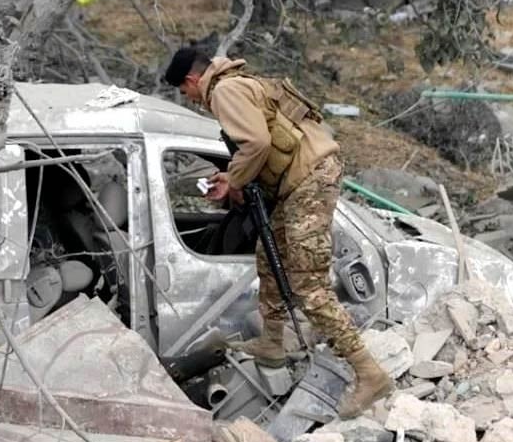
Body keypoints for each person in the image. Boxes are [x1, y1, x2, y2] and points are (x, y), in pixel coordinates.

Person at [163, 46, 393, 419]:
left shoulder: (223, 91)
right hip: (300, 182)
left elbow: (255, 143)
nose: (189, 99)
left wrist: (233, 179)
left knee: (309, 286)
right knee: (268, 260)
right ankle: (272, 342)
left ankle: (369, 373)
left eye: (184, 92)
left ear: (191, 81)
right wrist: (231, 177)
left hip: (308, 182)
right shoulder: (239, 83)